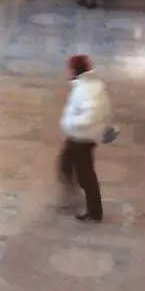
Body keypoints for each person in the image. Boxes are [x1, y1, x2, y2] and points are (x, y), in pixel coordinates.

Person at [58, 53, 113, 224]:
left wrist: (71, 124)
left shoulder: (87, 89)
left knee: (85, 174)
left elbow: (91, 115)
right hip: (79, 136)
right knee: (65, 163)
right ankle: (72, 195)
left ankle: (94, 211)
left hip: (82, 138)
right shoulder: (88, 85)